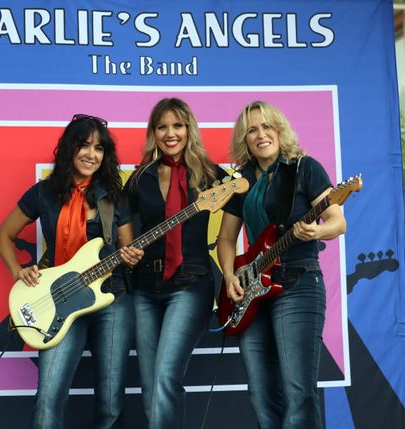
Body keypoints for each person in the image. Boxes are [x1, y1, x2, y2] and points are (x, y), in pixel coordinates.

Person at [0, 114, 144, 429]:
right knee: (48, 397)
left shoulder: (114, 196)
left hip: (111, 298)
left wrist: (131, 257)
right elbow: (3, 235)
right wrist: (18, 271)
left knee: (111, 402)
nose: (92, 154)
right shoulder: (43, 193)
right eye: (84, 145)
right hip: (57, 298)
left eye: (99, 148)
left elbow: (127, 247)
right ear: (69, 148)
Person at [217, 100, 347, 429]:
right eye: (252, 130)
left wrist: (317, 231)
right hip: (252, 290)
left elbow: (338, 222)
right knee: (261, 395)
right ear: (244, 140)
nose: (261, 135)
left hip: (298, 283)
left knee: (297, 393)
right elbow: (226, 239)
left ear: (279, 130)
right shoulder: (241, 181)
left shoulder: (304, 168)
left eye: (267, 126)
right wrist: (230, 276)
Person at [125, 98, 227, 428]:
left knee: (166, 376)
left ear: (189, 129)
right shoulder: (140, 177)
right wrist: (126, 249)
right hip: (144, 289)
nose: (170, 133)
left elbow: (245, 207)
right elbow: (121, 224)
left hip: (191, 285)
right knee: (150, 385)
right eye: (162, 127)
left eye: (177, 125)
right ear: (153, 133)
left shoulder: (212, 174)